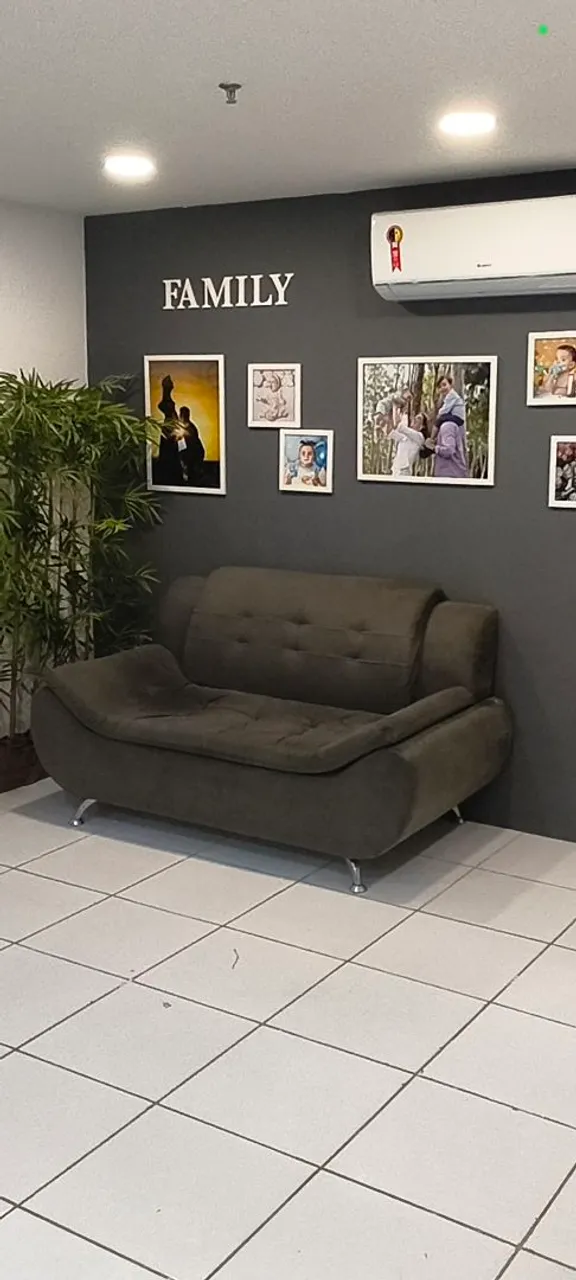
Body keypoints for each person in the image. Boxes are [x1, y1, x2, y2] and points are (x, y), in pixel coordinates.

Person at [425, 374, 469, 480]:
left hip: (456, 418)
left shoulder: (452, 395)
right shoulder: (448, 398)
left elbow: (443, 411)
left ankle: (431, 439)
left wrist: (438, 416)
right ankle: (432, 439)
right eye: (440, 387)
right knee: (439, 422)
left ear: (451, 385)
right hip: (455, 419)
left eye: (444, 385)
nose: (442, 388)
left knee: (439, 421)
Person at [174, 406, 205, 486]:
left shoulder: (190, 428)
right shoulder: (182, 427)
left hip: (195, 453)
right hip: (188, 453)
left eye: (184, 414)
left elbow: (190, 437)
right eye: (182, 414)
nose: (182, 416)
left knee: (193, 473)